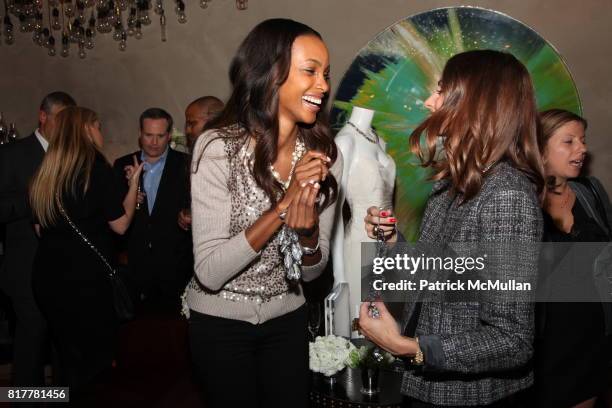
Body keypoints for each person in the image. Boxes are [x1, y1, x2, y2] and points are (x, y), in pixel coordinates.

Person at [358, 50, 545, 407]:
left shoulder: (506, 195)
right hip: (428, 389)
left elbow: (512, 338)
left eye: (441, 91)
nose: (430, 102)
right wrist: (393, 240)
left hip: (470, 397)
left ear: (476, 103)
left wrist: (409, 348)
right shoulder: (453, 185)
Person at [185, 18, 341, 408]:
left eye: (326, 74)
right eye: (310, 71)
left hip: (287, 318)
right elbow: (209, 271)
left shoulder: (324, 157)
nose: (323, 85)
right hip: (219, 324)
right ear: (272, 74)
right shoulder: (218, 147)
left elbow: (312, 272)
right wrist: (284, 206)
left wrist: (306, 236)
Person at [29, 106, 142, 392]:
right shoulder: (94, 166)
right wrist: (133, 187)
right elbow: (120, 225)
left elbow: (40, 228)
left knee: (66, 355)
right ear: (86, 130)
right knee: (94, 362)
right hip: (86, 281)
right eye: (98, 126)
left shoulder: (48, 170)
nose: (101, 132)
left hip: (48, 277)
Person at [534, 109, 612, 408]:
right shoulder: (520, 200)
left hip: (592, 339)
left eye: (583, 140)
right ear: (539, 149)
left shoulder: (591, 192)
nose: (582, 148)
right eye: (569, 141)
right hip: (544, 347)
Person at [0, 91, 75, 386]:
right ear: (43, 117)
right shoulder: (12, 155)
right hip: (26, 269)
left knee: (63, 346)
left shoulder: (73, 156)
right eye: (61, 120)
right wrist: (32, 201)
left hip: (66, 269)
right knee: (31, 345)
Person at [113, 108, 191, 311]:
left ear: (169, 135)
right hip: (135, 265)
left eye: (160, 136)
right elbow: (112, 214)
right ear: (140, 134)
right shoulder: (122, 165)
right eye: (148, 135)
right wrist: (127, 198)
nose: (154, 142)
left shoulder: (185, 164)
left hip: (175, 266)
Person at [331, 106, 396, 337]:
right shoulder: (345, 141)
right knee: (363, 330)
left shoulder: (379, 140)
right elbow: (335, 211)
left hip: (389, 248)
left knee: (388, 331)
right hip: (359, 246)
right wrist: (339, 275)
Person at [178, 96, 225, 231]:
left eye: (192, 123)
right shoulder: (200, 152)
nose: (187, 130)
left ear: (214, 120)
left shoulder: (227, 154)